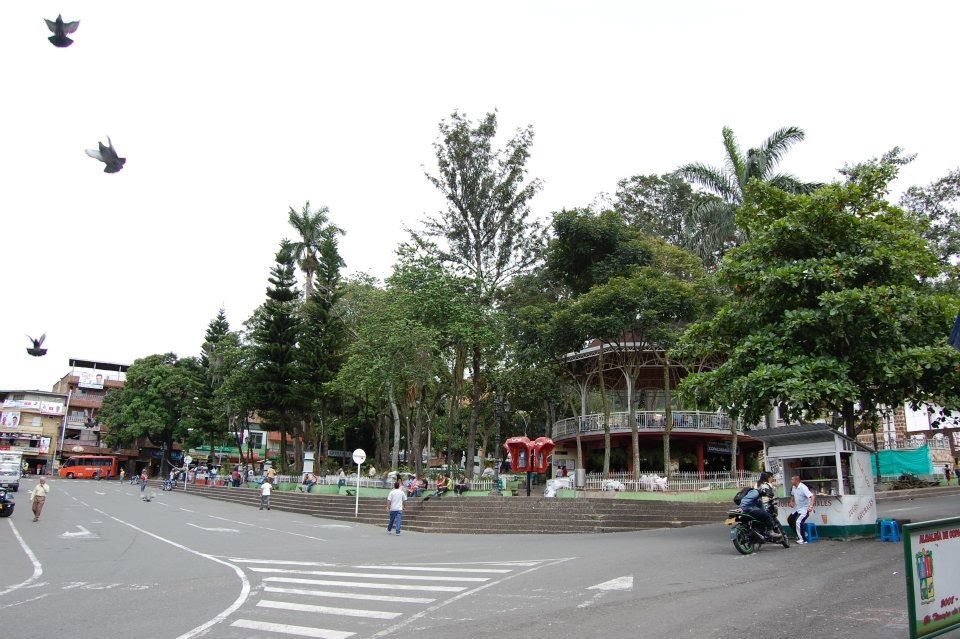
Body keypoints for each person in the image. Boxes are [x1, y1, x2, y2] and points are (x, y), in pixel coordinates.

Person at [738, 471, 781, 540]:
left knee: (763, 515)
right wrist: (741, 507)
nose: (767, 492)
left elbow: (761, 507)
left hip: (752, 509)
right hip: (750, 509)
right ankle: (770, 532)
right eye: (766, 491)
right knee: (768, 516)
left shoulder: (759, 494)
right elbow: (746, 499)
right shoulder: (755, 492)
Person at [787, 474, 815, 544]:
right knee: (790, 519)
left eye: (792, 479)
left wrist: (810, 506)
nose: (791, 481)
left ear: (796, 480)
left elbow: (812, 496)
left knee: (798, 522)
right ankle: (801, 534)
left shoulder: (803, 487)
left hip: (804, 509)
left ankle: (803, 539)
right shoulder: (794, 487)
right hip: (798, 508)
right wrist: (791, 501)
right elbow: (792, 494)